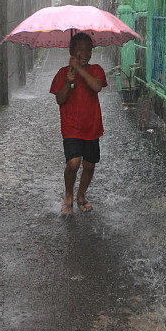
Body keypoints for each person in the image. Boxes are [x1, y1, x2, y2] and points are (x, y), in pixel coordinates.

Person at [50, 32, 107, 217]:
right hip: (71, 128)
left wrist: (80, 70)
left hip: (91, 128)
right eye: (80, 50)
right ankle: (68, 194)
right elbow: (60, 99)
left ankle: (81, 195)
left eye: (88, 49)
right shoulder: (62, 74)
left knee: (89, 166)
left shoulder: (96, 69)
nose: (85, 53)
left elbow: (97, 86)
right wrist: (68, 81)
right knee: (74, 163)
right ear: (72, 51)